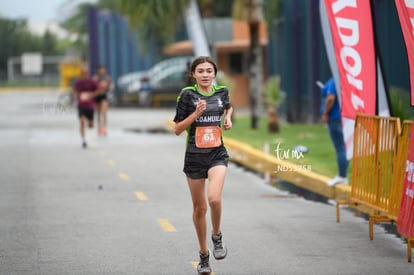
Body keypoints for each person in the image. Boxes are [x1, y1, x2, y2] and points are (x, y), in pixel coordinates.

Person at [173, 56, 233, 275]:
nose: (205, 74)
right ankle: (203, 254)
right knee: (199, 209)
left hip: (217, 153)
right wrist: (195, 115)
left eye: (209, 71)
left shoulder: (221, 92)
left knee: (214, 198)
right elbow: (177, 129)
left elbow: (228, 107)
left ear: (214, 73)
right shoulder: (187, 95)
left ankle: (216, 236)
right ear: (193, 74)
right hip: (194, 157)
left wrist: (228, 118)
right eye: (201, 71)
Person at [320, 77, 348, 186]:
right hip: (343, 117)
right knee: (343, 147)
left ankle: (342, 176)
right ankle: (343, 175)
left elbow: (330, 98)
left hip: (335, 117)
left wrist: (326, 113)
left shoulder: (335, 80)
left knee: (340, 148)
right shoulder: (345, 79)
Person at [73, 67, 100, 148]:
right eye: (83, 74)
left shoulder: (92, 82)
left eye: (86, 74)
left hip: (90, 105)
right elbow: (74, 90)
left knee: (91, 125)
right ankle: (83, 139)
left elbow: (99, 90)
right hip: (81, 105)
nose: (84, 76)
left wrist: (92, 94)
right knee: (82, 121)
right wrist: (74, 96)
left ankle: (90, 123)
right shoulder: (78, 82)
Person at [92, 64, 113, 136]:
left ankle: (104, 128)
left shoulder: (107, 78)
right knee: (98, 113)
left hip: (104, 96)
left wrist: (109, 87)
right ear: (98, 70)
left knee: (104, 112)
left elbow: (111, 85)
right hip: (97, 96)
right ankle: (99, 128)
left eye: (103, 69)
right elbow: (92, 86)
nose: (102, 71)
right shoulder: (95, 78)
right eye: (101, 69)